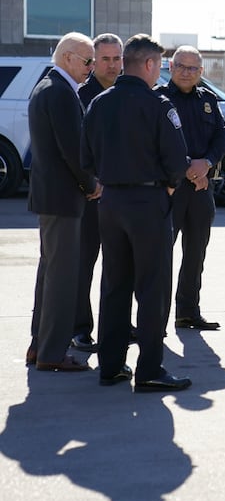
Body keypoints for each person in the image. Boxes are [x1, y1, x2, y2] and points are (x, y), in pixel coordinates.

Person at [81, 34, 195, 391]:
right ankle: (149, 370)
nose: (160, 71)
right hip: (148, 203)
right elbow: (178, 162)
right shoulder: (159, 105)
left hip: (110, 203)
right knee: (152, 287)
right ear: (148, 65)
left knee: (114, 285)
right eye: (159, 65)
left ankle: (111, 366)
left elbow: (86, 160)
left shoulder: (98, 103)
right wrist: (170, 183)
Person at [26, 32, 101, 371]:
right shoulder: (60, 91)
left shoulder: (49, 86)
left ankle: (40, 344)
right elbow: (72, 149)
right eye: (88, 61)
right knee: (61, 277)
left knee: (51, 272)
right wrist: (91, 183)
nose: (92, 67)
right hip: (63, 196)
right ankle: (52, 353)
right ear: (68, 57)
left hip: (52, 196)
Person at [156, 46, 225, 331]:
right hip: (169, 189)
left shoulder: (208, 100)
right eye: (182, 67)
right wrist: (188, 167)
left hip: (201, 189)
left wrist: (207, 164)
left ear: (201, 71)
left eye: (193, 68)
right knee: (161, 254)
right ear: (170, 67)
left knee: (196, 253)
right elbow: (156, 143)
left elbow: (221, 138)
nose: (187, 72)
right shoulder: (158, 99)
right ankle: (155, 317)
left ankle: (188, 312)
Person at [71, 32, 123, 353]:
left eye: (117, 59)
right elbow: (75, 149)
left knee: (119, 267)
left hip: (121, 196)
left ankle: (115, 325)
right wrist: (89, 184)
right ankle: (80, 328)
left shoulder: (126, 93)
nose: (112, 65)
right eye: (105, 59)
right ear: (93, 60)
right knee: (85, 264)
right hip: (89, 195)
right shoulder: (81, 95)